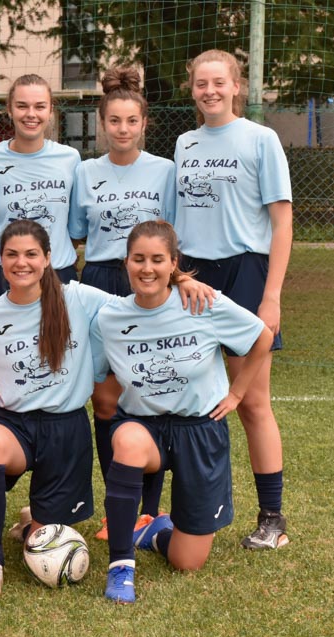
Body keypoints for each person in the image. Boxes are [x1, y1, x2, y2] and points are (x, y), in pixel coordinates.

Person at [93, 220, 272, 603]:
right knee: (126, 441)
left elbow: (262, 336)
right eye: (138, 259)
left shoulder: (203, 303)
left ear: (173, 263)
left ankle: (154, 532)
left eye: (157, 259)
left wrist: (237, 393)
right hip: (144, 427)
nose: (147, 268)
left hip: (200, 429)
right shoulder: (109, 317)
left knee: (187, 562)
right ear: (126, 262)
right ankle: (121, 567)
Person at [174, 49, 293, 550]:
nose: (210, 91)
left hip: (245, 272)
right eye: (201, 83)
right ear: (192, 89)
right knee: (188, 397)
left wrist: (272, 296)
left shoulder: (261, 139)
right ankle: (184, 512)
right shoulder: (184, 143)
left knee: (253, 403)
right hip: (193, 276)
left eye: (219, 82)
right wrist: (177, 275)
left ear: (236, 86)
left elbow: (282, 222)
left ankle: (272, 519)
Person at [0, 220, 113, 597]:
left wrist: (182, 281)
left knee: (42, 543)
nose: (21, 262)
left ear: (47, 258)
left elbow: (139, 307)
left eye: (31, 254)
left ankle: (32, 523)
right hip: (12, 425)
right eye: (12, 254)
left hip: (66, 429)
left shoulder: (79, 299)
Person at [69, 67, 178, 535]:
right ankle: (118, 502)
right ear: (102, 123)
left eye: (131, 121)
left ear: (144, 123)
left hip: (148, 281)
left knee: (148, 392)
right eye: (114, 120)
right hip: (100, 280)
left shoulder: (164, 170)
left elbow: (170, 235)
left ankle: (146, 509)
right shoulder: (85, 171)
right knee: (105, 399)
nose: (122, 129)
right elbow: (77, 232)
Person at [0, 74, 81, 307]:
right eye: (22, 106)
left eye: (39, 106)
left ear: (50, 110)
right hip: (1, 274)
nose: (31, 114)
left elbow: (74, 225)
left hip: (56, 272)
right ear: (9, 109)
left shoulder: (69, 159)